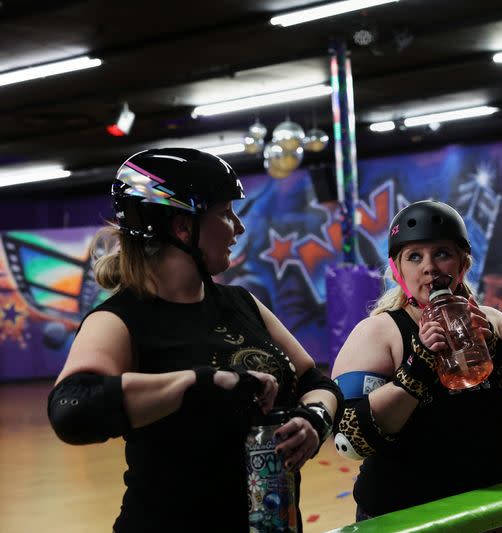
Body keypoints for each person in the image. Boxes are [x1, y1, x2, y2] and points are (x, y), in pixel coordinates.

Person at [46, 148, 343, 532]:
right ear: (182, 227)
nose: (238, 227)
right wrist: (202, 381)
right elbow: (72, 407)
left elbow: (314, 382)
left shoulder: (241, 303)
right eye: (225, 213)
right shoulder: (120, 319)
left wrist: (313, 419)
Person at [331, 200, 502, 519]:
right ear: (398, 270)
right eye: (415, 256)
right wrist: (416, 370)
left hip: (492, 509)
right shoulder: (379, 333)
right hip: (405, 516)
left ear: (463, 264)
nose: (429, 267)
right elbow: (349, 440)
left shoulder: (493, 323)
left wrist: (500, 356)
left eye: (441, 253)